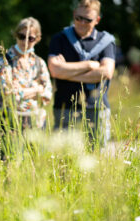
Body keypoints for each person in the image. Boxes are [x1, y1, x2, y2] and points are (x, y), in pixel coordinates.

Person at [48, 0, 115, 148]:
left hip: (97, 108)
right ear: (73, 15)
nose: (82, 23)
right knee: (62, 158)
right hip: (64, 107)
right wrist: (89, 65)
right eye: (78, 18)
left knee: (97, 155)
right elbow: (54, 70)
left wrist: (65, 71)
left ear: (97, 20)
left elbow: (106, 72)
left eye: (88, 20)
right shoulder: (59, 39)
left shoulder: (106, 41)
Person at [0, 17, 52, 159]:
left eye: (30, 38)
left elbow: (47, 94)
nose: (25, 41)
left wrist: (23, 91)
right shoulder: (4, 60)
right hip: (11, 121)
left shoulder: (39, 62)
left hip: (37, 121)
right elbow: (8, 93)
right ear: (16, 35)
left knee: (36, 166)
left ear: (37, 39)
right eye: (22, 36)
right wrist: (36, 89)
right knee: (10, 166)